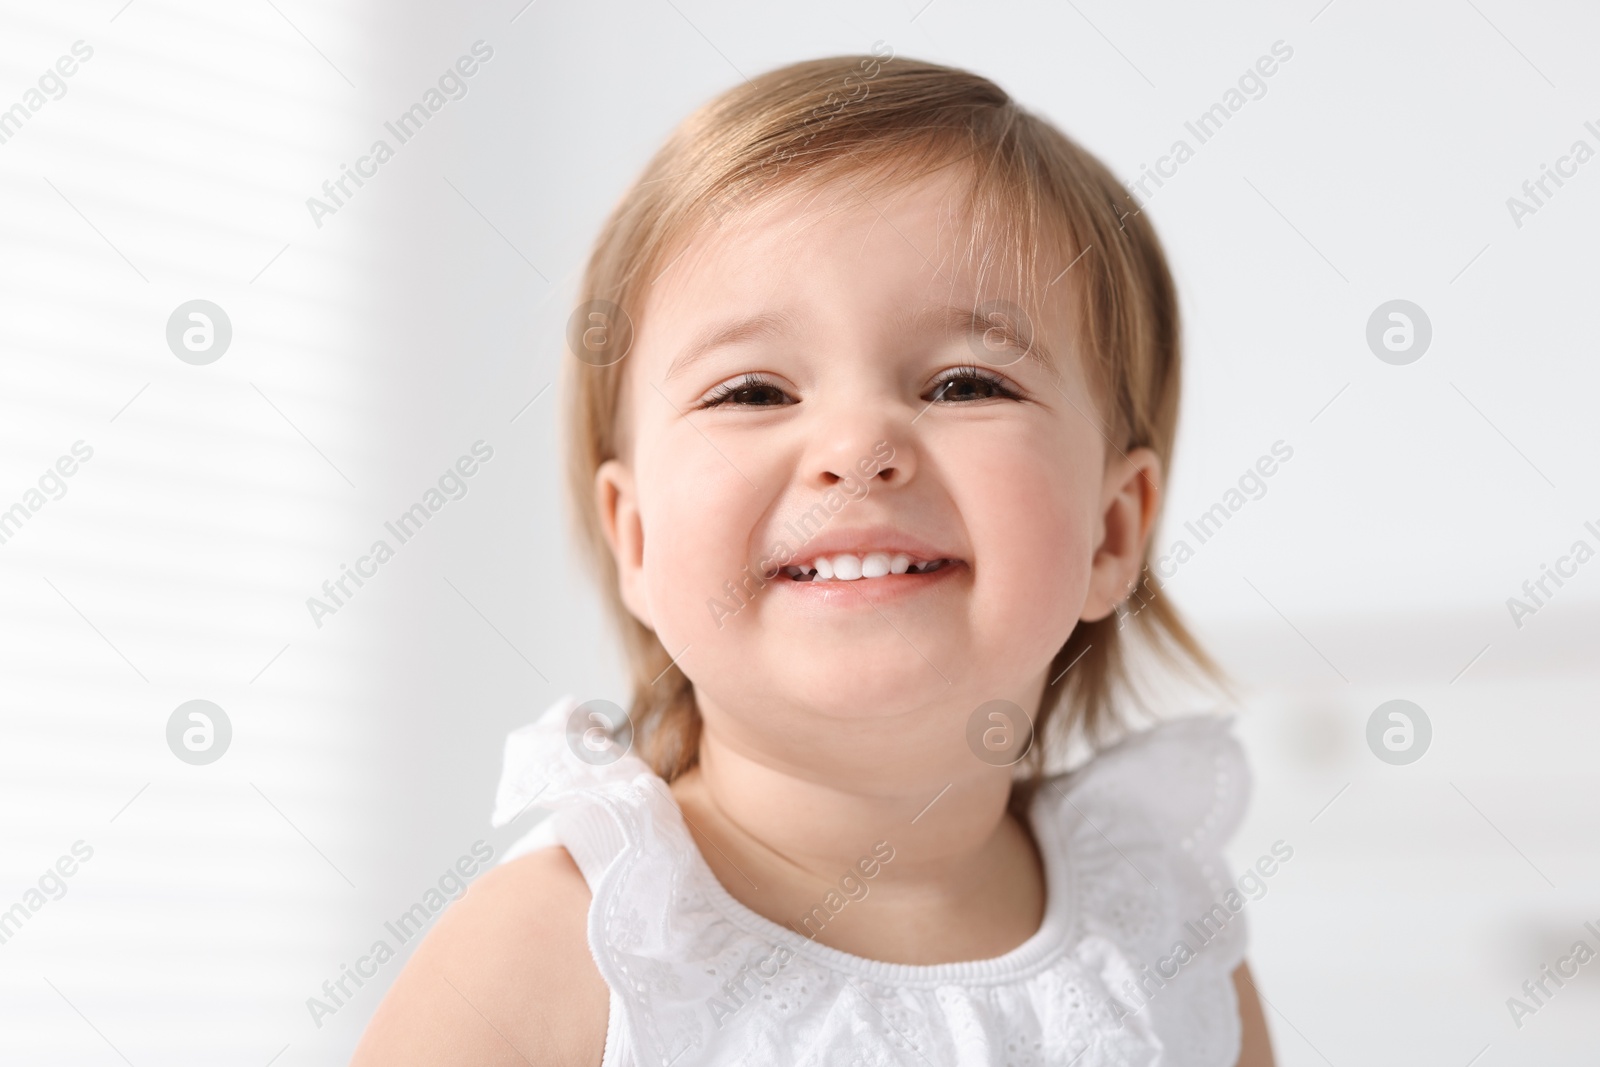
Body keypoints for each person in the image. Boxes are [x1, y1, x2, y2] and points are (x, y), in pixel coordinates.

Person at [354, 51, 1275, 1066]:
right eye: (752, 391)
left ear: (1112, 530)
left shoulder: (1160, 934)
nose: (856, 448)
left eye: (966, 383)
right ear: (638, 538)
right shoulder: (564, 952)